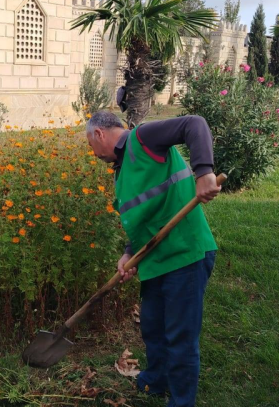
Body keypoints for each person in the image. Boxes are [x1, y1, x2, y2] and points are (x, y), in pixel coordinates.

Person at [86, 111, 220, 407]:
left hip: (185, 254)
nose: (93, 154)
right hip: (155, 260)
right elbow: (140, 220)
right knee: (153, 327)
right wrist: (127, 254)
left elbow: (193, 123)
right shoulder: (122, 172)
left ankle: (181, 401)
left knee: (180, 337)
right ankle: (157, 380)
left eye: (91, 146)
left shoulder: (143, 139)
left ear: (98, 134)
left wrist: (204, 172)